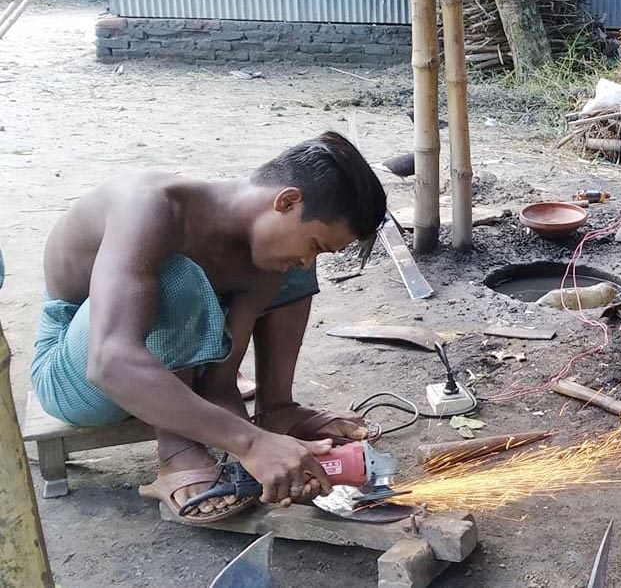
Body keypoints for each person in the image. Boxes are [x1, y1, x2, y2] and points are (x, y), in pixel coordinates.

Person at [31, 131, 387, 523]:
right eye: (317, 244)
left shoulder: (263, 262)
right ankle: (177, 451)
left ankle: (277, 409)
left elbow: (219, 386)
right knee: (177, 278)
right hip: (75, 371)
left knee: (287, 270)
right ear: (286, 201)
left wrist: (273, 456)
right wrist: (249, 443)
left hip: (156, 363)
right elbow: (109, 362)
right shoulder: (150, 207)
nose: (308, 260)